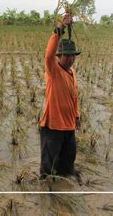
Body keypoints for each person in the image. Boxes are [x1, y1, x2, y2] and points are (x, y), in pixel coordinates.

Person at [39, 13, 81, 179]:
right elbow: (48, 54)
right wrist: (60, 28)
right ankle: (46, 190)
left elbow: (74, 97)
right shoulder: (53, 71)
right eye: (67, 55)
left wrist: (76, 116)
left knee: (68, 161)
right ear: (59, 56)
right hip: (53, 127)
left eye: (73, 55)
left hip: (69, 126)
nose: (70, 59)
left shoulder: (72, 72)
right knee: (48, 166)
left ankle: (65, 184)